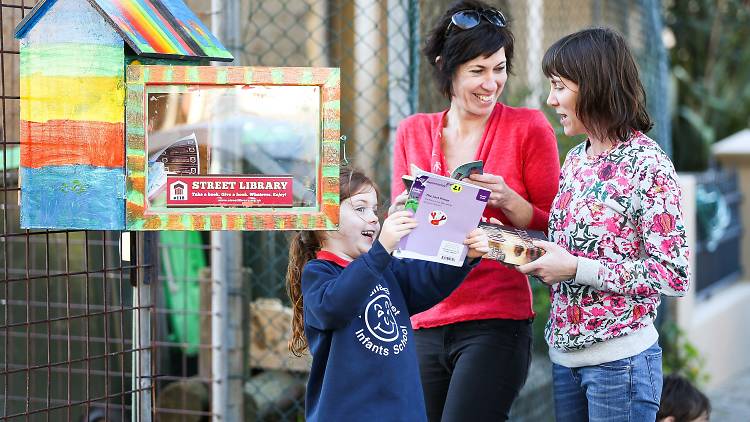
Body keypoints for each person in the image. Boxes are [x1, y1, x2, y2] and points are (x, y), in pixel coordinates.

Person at [390, 1, 561, 420]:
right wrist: (401, 214)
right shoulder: (413, 130)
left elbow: (558, 224)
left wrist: (508, 201)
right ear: (446, 68)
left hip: (496, 316)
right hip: (425, 316)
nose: (492, 83)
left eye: (499, 68)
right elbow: (401, 233)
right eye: (478, 71)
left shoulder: (528, 127)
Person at [517, 28, 690, 421]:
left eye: (559, 86)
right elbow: (576, 251)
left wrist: (577, 269)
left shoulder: (648, 165)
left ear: (593, 86)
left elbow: (673, 274)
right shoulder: (577, 159)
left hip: (620, 365)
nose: (550, 99)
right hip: (566, 360)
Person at [286, 167, 489, 421]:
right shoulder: (318, 272)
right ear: (325, 221)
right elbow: (335, 307)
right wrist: (381, 250)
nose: (373, 218)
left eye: (374, 209)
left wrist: (464, 256)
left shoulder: (384, 268)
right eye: (360, 208)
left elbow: (427, 282)